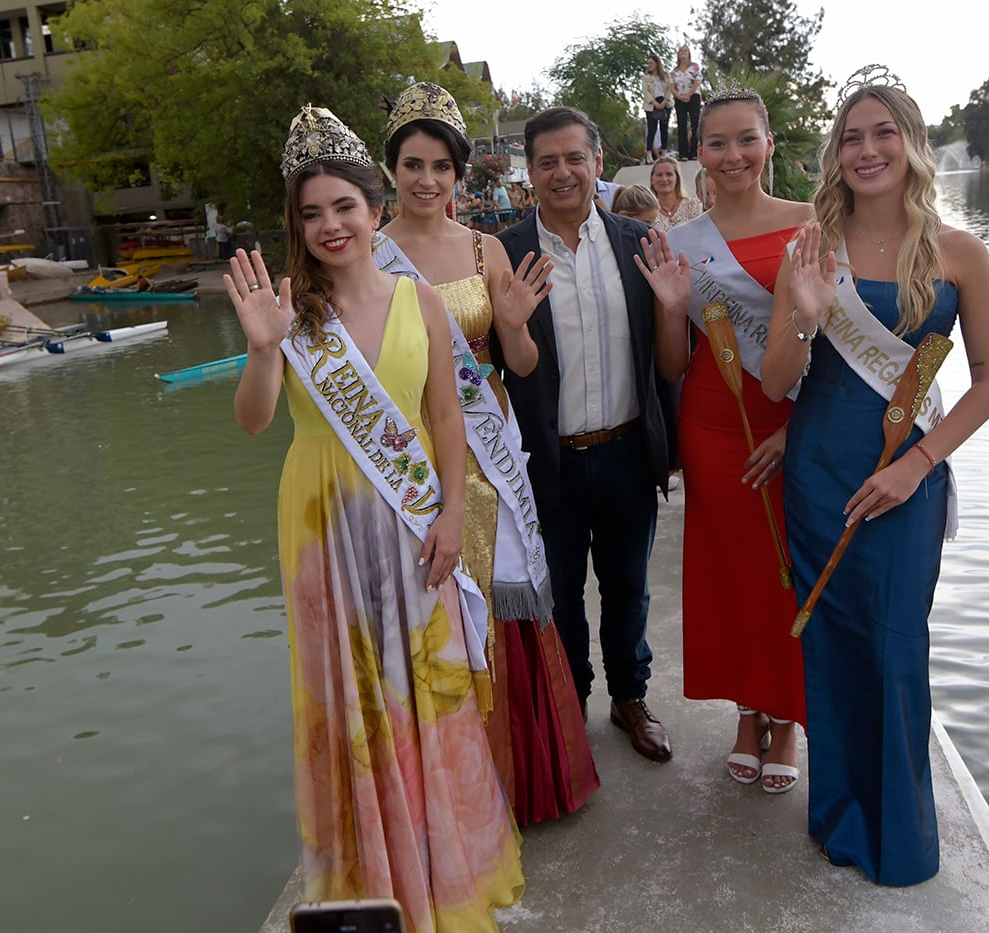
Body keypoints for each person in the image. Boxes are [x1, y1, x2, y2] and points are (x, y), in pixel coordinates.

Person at [227, 105, 523, 927]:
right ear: (297, 223)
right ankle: (368, 873)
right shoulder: (289, 314)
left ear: (372, 205)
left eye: (344, 206)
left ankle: (439, 875)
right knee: (345, 692)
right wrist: (260, 349)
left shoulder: (419, 301)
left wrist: (454, 512)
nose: (330, 225)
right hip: (321, 527)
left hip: (412, 516)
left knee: (419, 689)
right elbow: (254, 421)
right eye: (310, 213)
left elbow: (449, 418)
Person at [761, 66, 989, 885]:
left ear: (910, 145)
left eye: (883, 133)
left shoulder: (959, 252)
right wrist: (802, 312)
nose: (867, 150)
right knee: (832, 646)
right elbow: (773, 382)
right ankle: (838, 819)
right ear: (837, 153)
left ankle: (898, 837)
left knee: (896, 645)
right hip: (819, 470)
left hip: (906, 478)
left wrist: (918, 463)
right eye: (853, 136)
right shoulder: (812, 248)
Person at [376, 81, 600, 825]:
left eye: (441, 166)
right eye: (413, 164)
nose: (427, 180)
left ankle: (515, 776)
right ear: (391, 169)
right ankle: (446, 791)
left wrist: (512, 326)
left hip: (485, 444)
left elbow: (525, 366)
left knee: (501, 595)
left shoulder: (487, 248)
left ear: (459, 174)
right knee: (427, 603)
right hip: (403, 451)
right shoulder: (366, 257)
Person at [495, 106, 692, 762]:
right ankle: (570, 700)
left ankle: (630, 695)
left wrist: (673, 311)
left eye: (574, 157)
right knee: (560, 590)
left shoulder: (639, 242)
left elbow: (671, 365)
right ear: (529, 171)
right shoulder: (505, 251)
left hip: (629, 448)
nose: (562, 172)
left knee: (628, 585)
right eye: (547, 161)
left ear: (598, 163)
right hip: (548, 460)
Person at [666, 81, 814, 795]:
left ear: (769, 144)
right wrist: (668, 311)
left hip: (794, 422)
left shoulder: (812, 223)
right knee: (733, 571)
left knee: (786, 567)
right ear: (700, 151)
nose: (734, 155)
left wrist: (797, 430)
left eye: (746, 139)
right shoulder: (681, 244)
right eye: (718, 142)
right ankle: (748, 712)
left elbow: (838, 350)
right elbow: (674, 357)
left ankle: (788, 716)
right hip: (713, 424)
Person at [649, 155, 703, 232]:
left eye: (669, 174)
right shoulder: (648, 211)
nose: (664, 179)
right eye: (659, 175)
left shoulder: (693, 206)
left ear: (677, 179)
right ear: (652, 180)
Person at [671, 45, 704, 161]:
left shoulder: (694, 67)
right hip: (680, 99)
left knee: (696, 123)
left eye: (685, 51)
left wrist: (688, 95)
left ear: (689, 53)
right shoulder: (674, 71)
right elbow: (672, 86)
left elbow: (697, 81)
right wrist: (679, 96)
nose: (682, 53)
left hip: (693, 96)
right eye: (680, 51)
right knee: (681, 125)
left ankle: (694, 151)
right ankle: (683, 153)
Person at [641, 54, 673, 163]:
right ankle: (649, 154)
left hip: (665, 103)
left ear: (657, 63)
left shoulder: (666, 75)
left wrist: (664, 101)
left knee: (664, 128)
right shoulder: (646, 77)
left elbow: (670, 89)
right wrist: (655, 103)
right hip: (651, 105)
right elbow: (645, 92)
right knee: (652, 129)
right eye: (648, 63)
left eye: (651, 63)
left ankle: (664, 153)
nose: (649, 65)